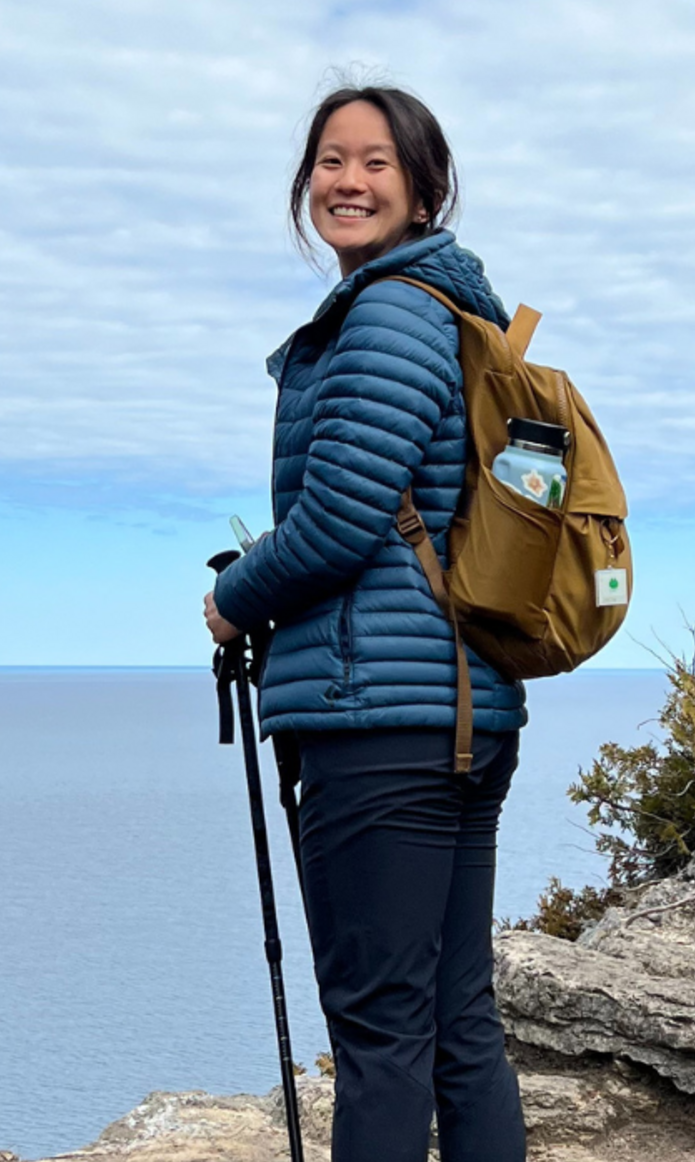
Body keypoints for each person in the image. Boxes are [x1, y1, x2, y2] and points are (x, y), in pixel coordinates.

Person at [202, 85, 528, 1162]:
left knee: (384, 1032)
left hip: (378, 720)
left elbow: (342, 520)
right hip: (461, 710)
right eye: (330, 162)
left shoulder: (389, 312)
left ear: (425, 187)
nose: (348, 181)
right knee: (453, 1023)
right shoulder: (448, 308)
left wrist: (234, 596)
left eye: (376, 163)